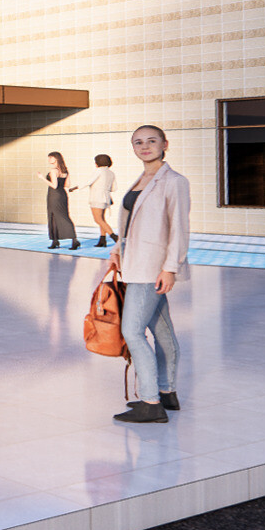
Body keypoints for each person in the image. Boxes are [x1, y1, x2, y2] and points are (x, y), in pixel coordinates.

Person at [106, 125, 190, 424]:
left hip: (151, 267)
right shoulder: (140, 180)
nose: (145, 146)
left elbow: (179, 228)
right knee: (161, 329)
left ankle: (150, 401)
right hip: (134, 263)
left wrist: (171, 267)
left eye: (151, 141)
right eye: (138, 142)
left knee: (132, 331)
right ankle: (167, 392)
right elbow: (129, 224)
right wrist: (117, 250)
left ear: (164, 144)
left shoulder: (174, 181)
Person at [74, 154, 118, 247]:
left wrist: (76, 187)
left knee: (98, 219)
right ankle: (102, 240)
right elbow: (114, 188)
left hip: (97, 197)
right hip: (106, 198)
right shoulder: (111, 173)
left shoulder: (99, 171)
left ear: (98, 162)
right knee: (102, 219)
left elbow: (89, 181)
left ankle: (114, 237)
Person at [38, 152, 80, 250]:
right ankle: (62, 240)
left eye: (51, 158)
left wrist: (42, 178)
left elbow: (54, 186)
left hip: (54, 195)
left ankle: (61, 241)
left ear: (56, 158)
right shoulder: (65, 170)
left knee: (53, 216)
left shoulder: (53, 170)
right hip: (62, 195)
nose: (49, 159)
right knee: (63, 216)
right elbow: (67, 185)